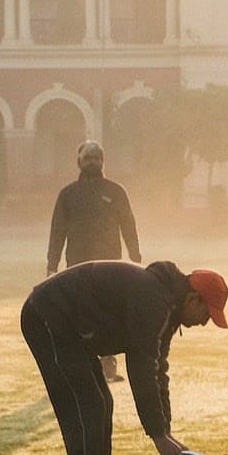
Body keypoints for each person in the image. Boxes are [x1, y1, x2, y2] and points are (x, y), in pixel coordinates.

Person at [21, 260, 228, 455]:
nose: (204, 323)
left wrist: (166, 432)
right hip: (47, 316)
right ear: (192, 298)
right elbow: (141, 368)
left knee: (101, 404)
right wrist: (157, 436)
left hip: (69, 327)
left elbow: (157, 371)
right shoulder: (154, 300)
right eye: (206, 314)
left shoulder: (168, 309)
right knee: (88, 409)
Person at [46, 139, 142, 382]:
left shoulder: (115, 191)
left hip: (111, 266)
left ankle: (108, 368)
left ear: (102, 161)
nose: (92, 162)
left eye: (97, 158)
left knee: (110, 314)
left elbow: (128, 224)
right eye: (88, 158)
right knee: (78, 316)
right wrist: (52, 264)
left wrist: (135, 254)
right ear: (79, 162)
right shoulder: (68, 195)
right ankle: (82, 367)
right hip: (77, 265)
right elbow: (57, 230)